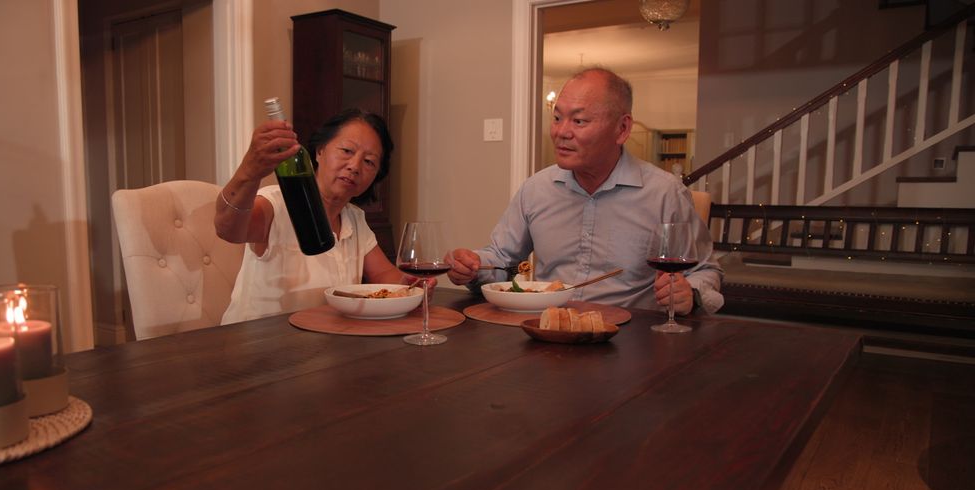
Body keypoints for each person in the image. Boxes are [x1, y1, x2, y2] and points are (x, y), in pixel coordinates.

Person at [445, 68, 723, 315]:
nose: (561, 132)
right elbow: (500, 259)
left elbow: (705, 271)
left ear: (622, 128)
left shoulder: (664, 193)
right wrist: (471, 265)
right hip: (547, 334)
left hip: (630, 345)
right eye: (557, 117)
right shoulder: (536, 189)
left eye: (579, 121)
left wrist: (691, 293)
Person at [216, 108, 420, 323]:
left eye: (369, 161)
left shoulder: (354, 218)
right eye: (347, 151)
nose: (355, 166)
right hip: (259, 343)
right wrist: (250, 171)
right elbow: (228, 229)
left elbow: (382, 275)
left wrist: (412, 285)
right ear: (319, 151)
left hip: (323, 342)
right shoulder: (275, 203)